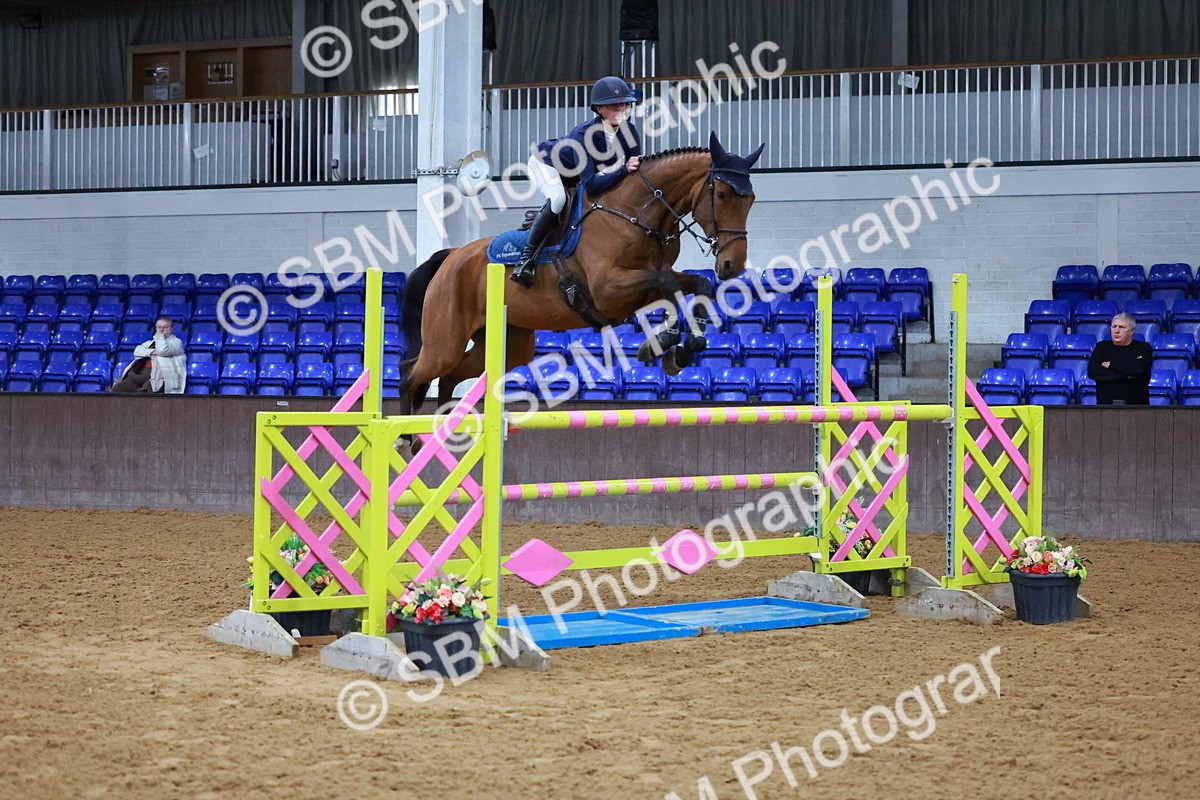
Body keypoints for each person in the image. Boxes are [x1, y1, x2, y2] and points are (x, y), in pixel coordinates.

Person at [510, 75, 644, 288]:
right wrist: (623, 170)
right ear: (599, 109)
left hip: (575, 173)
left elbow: (636, 170)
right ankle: (526, 260)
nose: (620, 108)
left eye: (624, 104)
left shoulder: (629, 131)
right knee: (558, 199)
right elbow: (591, 185)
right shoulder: (583, 135)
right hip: (546, 164)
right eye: (613, 105)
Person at [110, 316, 187, 394]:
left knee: (146, 390)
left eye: (165, 327)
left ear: (171, 329)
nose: (161, 330)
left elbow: (162, 350)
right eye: (159, 327)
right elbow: (137, 351)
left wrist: (160, 337)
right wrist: (152, 352)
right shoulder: (151, 343)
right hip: (140, 372)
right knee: (118, 388)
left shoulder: (176, 342)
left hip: (159, 378)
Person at [1087, 312, 1151, 405]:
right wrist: (1127, 376)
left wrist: (1110, 365)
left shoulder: (1143, 348)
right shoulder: (1101, 347)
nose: (1116, 331)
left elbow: (1139, 368)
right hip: (1105, 407)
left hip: (1137, 407)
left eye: (1121, 327)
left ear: (1132, 331)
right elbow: (1093, 372)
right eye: (1114, 327)